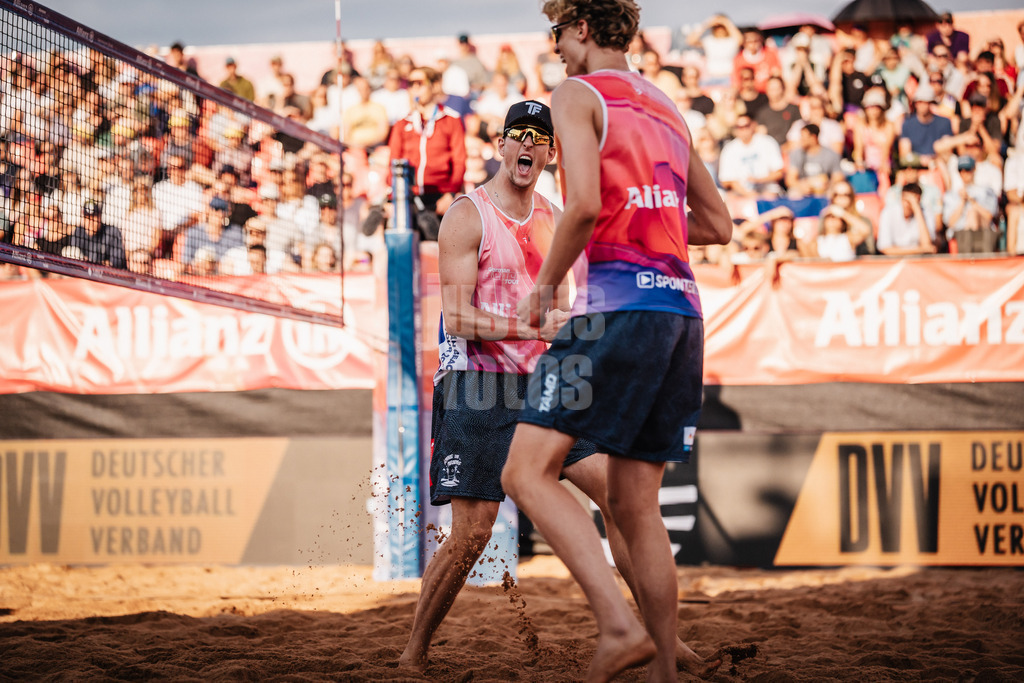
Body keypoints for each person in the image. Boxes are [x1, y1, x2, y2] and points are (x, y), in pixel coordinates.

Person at [501, 3, 732, 682]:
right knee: (636, 506)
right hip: (681, 313)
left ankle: (618, 624)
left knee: (524, 472)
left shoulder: (577, 93)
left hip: (618, 307)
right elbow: (717, 223)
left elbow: (582, 207)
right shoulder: (667, 107)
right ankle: (662, 665)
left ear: (579, 30)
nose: (557, 57)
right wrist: (648, 210)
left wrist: (543, 289)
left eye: (558, 41)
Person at [387, 66, 466, 241]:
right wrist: (393, 198)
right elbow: (393, 161)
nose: (415, 88)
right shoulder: (402, 122)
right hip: (409, 197)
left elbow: (459, 160)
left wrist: (451, 194)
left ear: (434, 86)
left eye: (420, 83)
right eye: (411, 84)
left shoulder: (450, 119)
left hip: (440, 197)